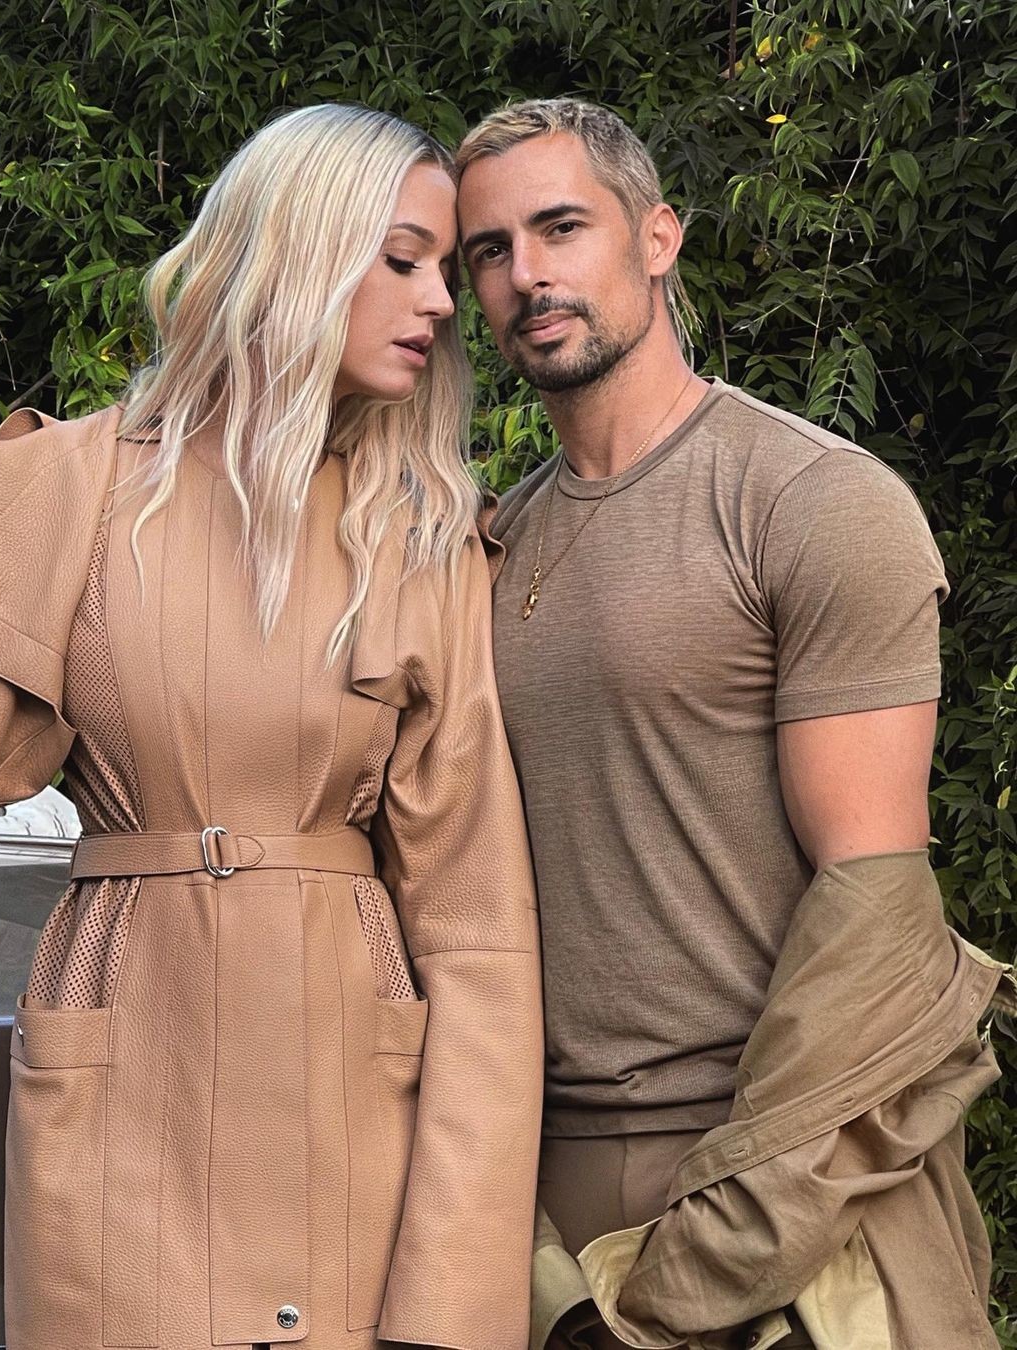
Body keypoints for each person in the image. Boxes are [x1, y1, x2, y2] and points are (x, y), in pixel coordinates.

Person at [0, 104, 543, 1350]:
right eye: (402, 259)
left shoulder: (423, 537)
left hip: (351, 1118)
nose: (442, 302)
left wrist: (454, 1300)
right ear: (294, 252)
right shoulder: (67, 488)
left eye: (444, 267)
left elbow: (480, 937)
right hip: (122, 1096)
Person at [456, 98, 1012, 1350]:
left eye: (561, 227)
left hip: (793, 1185)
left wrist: (721, 1247)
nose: (527, 273)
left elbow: (874, 910)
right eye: (490, 249)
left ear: (658, 238)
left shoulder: (810, 502)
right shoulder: (486, 546)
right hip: (546, 1195)